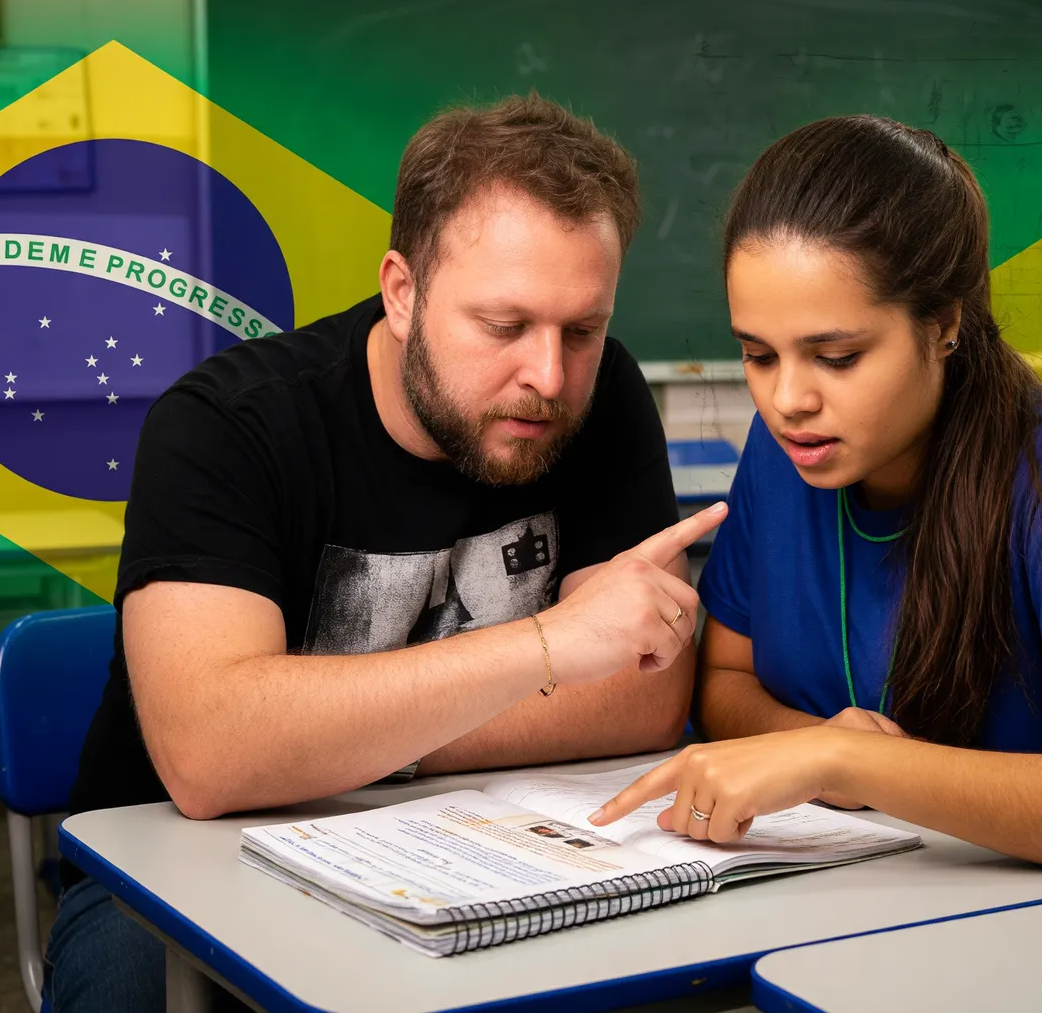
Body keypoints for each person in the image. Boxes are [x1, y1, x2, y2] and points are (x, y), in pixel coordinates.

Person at [45, 94, 725, 1011]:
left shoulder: (599, 400)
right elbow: (211, 757)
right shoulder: (225, 427)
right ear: (403, 293)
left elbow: (644, 696)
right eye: (504, 326)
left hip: (496, 841)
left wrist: (329, 736)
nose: (548, 376)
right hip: (179, 860)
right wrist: (549, 650)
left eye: (583, 329)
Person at [591, 115, 1042, 881]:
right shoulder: (783, 454)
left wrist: (847, 761)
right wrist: (816, 747)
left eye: (837, 356)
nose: (787, 400)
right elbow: (723, 684)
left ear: (944, 325)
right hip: (839, 897)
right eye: (757, 354)